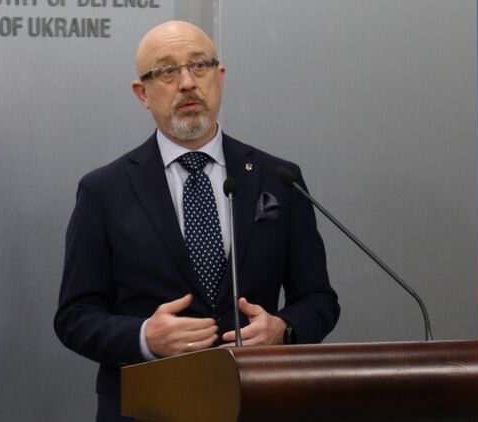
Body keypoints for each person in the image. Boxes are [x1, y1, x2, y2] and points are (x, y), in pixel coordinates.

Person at [54, 20, 340, 422]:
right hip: (148, 408)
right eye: (167, 71)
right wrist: (144, 337)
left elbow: (319, 299)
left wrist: (283, 329)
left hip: (258, 401)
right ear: (142, 93)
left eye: (199, 66)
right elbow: (74, 316)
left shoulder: (278, 178)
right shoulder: (104, 190)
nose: (187, 83)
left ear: (219, 77)